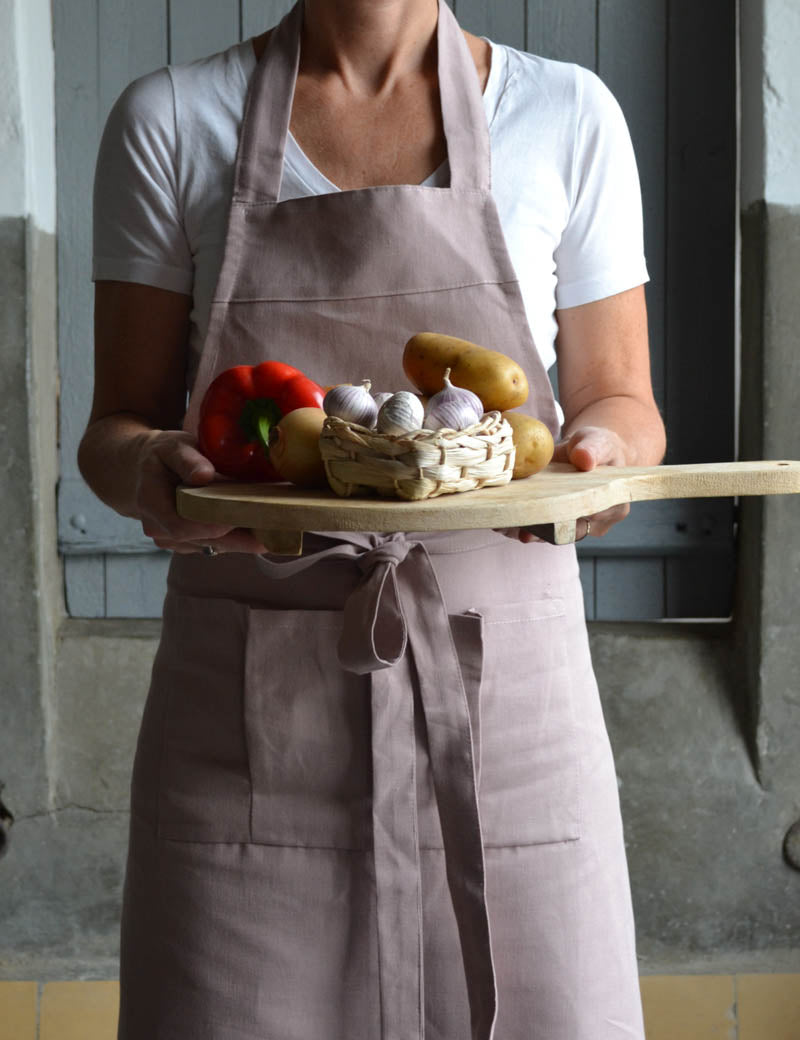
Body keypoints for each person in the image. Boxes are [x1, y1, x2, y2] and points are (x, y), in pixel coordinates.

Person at [78, 0, 666, 1036]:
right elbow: (113, 427)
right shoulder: (170, 120)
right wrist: (153, 469)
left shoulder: (567, 114)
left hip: (507, 718)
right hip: (244, 725)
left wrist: (602, 458)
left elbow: (622, 400)